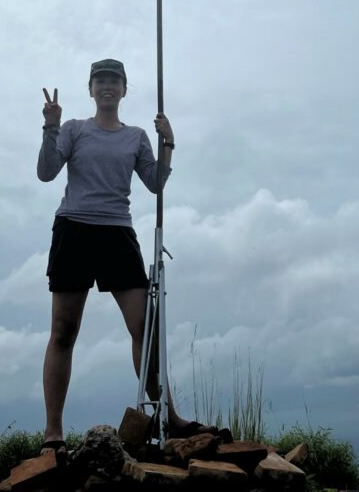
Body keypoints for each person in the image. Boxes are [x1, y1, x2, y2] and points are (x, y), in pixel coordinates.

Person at [37, 58, 217, 462]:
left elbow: (155, 184)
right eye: (100, 80)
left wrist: (168, 143)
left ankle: (168, 415)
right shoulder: (74, 129)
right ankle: (53, 432)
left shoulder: (136, 136)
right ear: (90, 88)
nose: (107, 87)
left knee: (144, 327)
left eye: (114, 81)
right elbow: (46, 173)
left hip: (118, 232)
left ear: (123, 89)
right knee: (64, 330)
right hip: (74, 229)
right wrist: (50, 126)